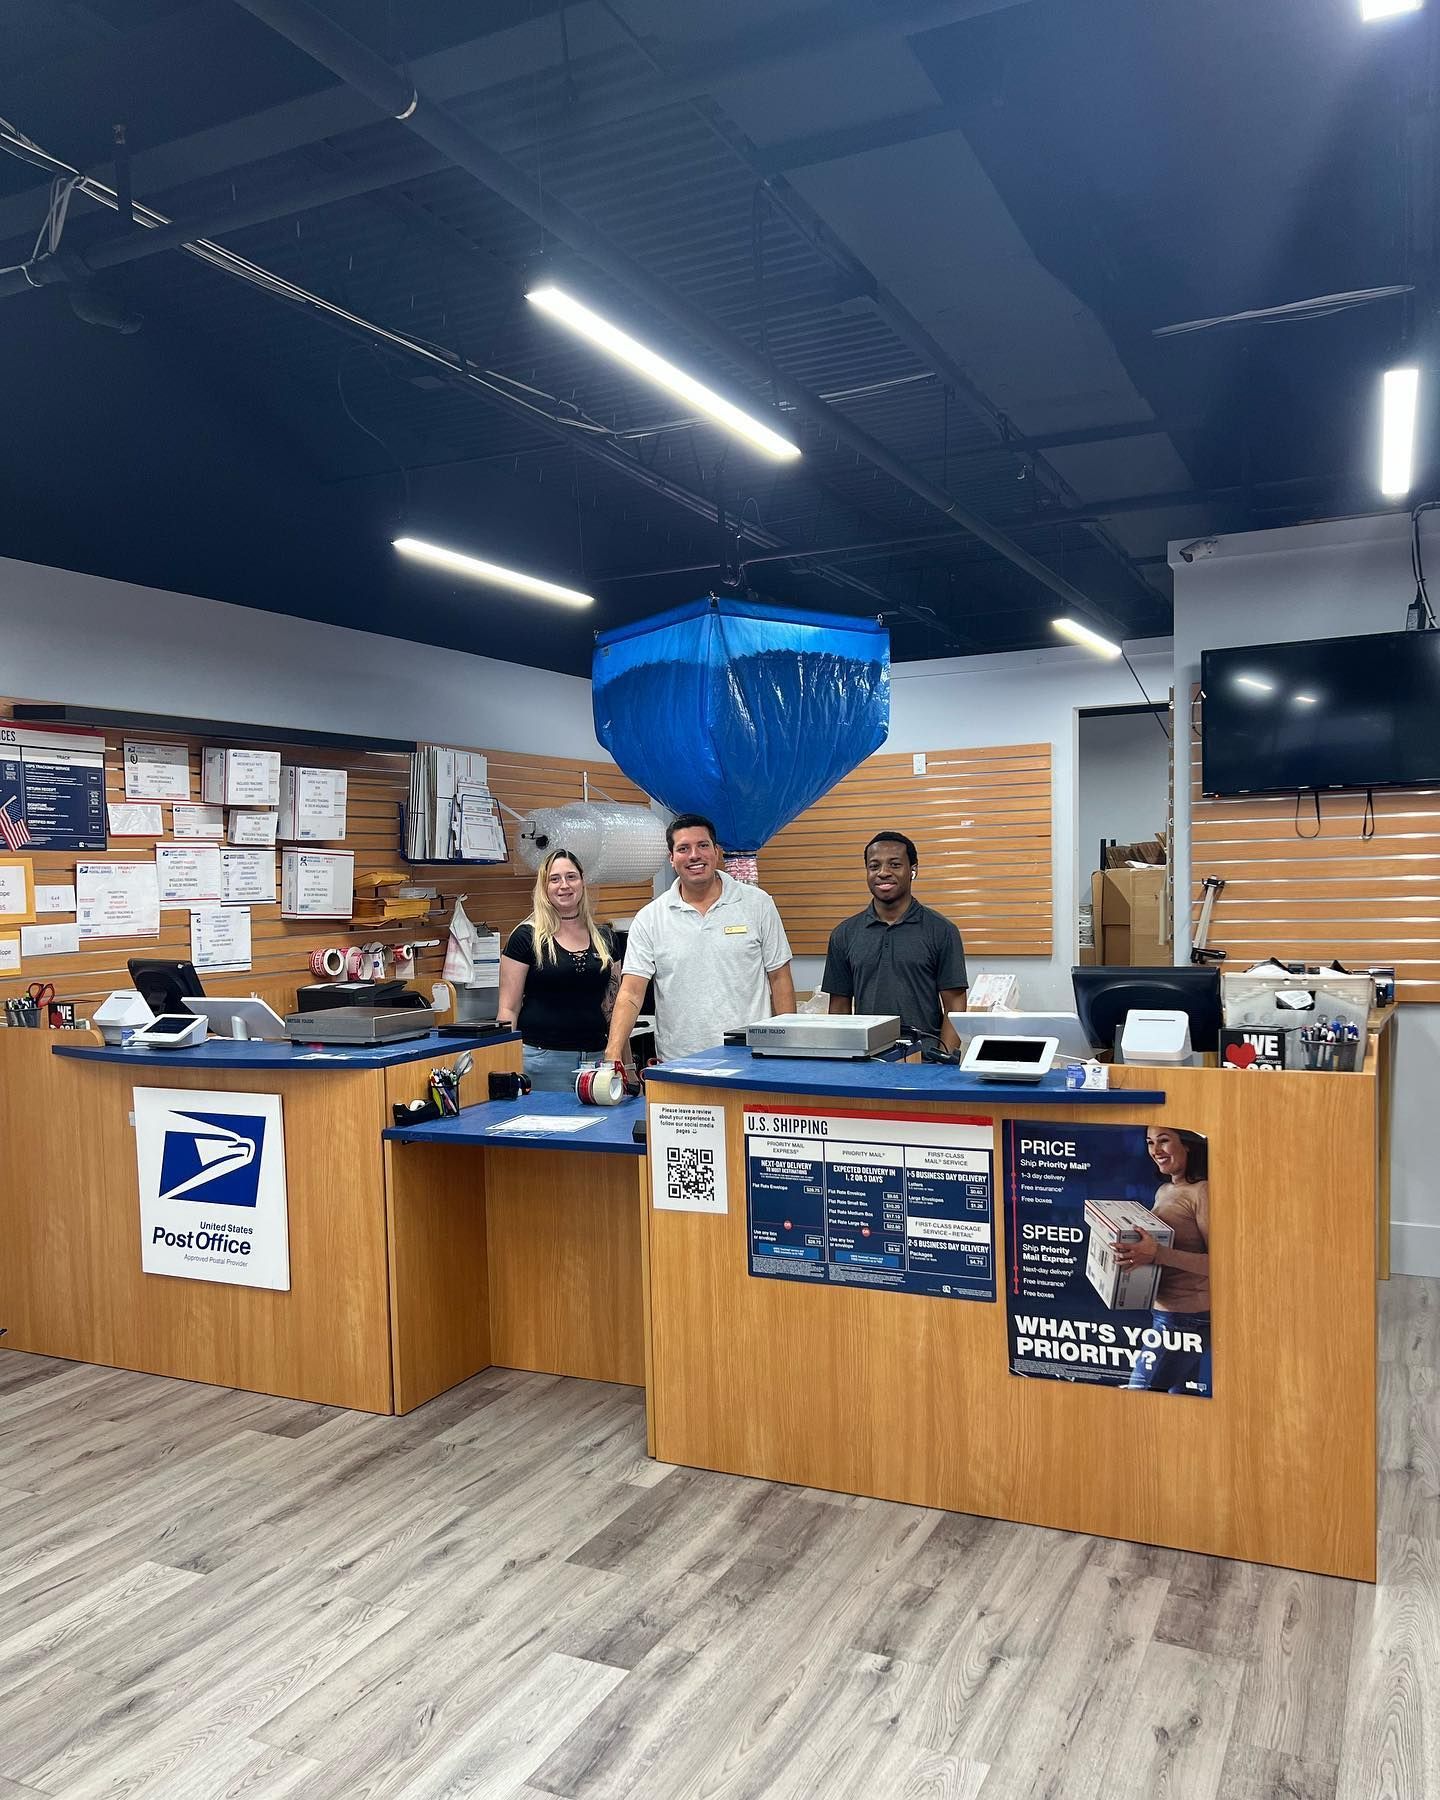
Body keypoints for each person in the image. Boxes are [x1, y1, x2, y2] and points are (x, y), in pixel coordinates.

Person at [603, 812, 796, 1064]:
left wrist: (790, 1049)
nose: (694, 855)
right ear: (671, 859)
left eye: (702, 845)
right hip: (679, 1061)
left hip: (750, 1057)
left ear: (716, 852)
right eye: (683, 848)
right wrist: (613, 1052)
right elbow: (631, 992)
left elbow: (779, 978)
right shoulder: (650, 918)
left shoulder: (758, 904)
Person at [823, 830, 969, 1050]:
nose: (883, 873)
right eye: (874, 866)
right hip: (866, 1060)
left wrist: (942, 1063)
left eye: (894, 865)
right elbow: (839, 1007)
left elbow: (955, 1005)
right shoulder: (844, 934)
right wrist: (843, 1061)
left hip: (924, 1061)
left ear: (913, 870)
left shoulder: (941, 930)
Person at [498, 848, 618, 1091]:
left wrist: (621, 1062)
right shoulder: (526, 937)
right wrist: (503, 1068)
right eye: (554, 879)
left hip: (596, 1061)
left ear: (582, 881)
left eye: (571, 877)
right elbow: (508, 1008)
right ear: (544, 887)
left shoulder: (605, 937)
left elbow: (614, 1009)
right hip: (541, 1062)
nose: (564, 885)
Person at [1115, 1126, 1211, 1395]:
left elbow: (1220, 1265)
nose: (1155, 1151)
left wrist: (1158, 1253)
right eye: (1150, 1143)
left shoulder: (1201, 1192)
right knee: (1179, 1406)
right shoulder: (1164, 1190)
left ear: (1189, 1144)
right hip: (1165, 1313)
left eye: (1164, 1141)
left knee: (1138, 1397)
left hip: (1185, 1318)